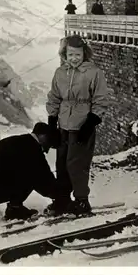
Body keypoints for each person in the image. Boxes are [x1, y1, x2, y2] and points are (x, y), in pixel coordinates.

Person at [45, 35, 110, 217]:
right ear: (64, 54)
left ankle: (82, 201)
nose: (74, 58)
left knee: (77, 164)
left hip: (82, 126)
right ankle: (63, 199)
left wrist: (90, 123)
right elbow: (54, 97)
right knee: (62, 163)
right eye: (70, 54)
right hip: (64, 124)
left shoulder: (94, 73)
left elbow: (101, 99)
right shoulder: (60, 73)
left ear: (84, 54)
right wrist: (52, 122)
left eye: (78, 54)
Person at [0, 122, 60, 226]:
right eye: (49, 143)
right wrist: (60, 197)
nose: (47, 150)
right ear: (43, 136)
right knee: (31, 176)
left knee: (25, 174)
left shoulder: (19, 141)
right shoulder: (32, 150)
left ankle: (14, 209)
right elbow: (44, 180)